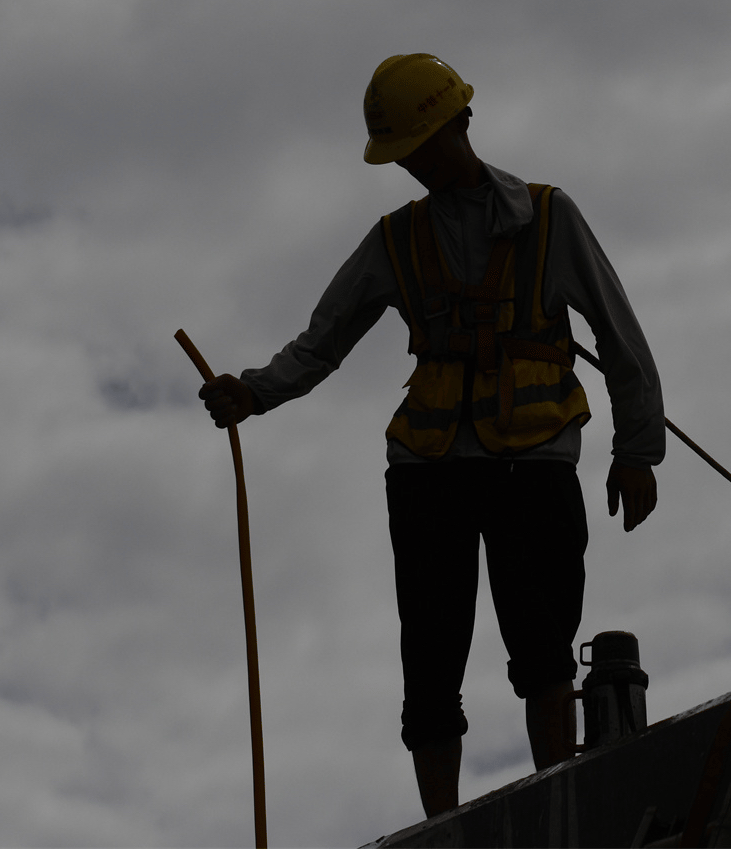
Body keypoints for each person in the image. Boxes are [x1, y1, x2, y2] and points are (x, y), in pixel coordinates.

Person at [195, 53, 664, 819]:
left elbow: (620, 338)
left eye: (421, 146)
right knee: (431, 659)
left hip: (533, 458)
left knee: (544, 647)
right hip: (429, 466)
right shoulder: (395, 241)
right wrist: (253, 391)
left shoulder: (549, 217)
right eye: (403, 155)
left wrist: (637, 452)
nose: (413, 166)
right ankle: (440, 829)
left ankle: (556, 795)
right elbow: (321, 343)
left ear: (459, 126)